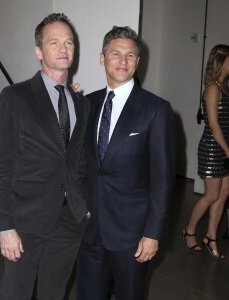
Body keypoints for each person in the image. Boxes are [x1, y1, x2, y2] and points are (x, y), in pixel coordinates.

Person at [0, 13, 90, 300]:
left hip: (69, 221)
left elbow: (77, 161)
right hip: (25, 221)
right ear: (39, 50)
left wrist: (84, 209)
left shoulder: (81, 104)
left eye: (69, 42)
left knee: (54, 293)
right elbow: (1, 167)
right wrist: (5, 226)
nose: (63, 48)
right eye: (54, 42)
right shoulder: (15, 97)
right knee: (17, 293)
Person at [76, 26, 177, 300]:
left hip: (132, 234)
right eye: (116, 54)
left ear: (138, 61)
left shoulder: (156, 109)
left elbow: (163, 178)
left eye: (130, 56)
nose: (123, 61)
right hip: (90, 229)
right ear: (102, 58)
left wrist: (153, 233)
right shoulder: (87, 104)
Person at [182, 44, 229, 259]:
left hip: (225, 147)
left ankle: (211, 237)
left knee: (224, 192)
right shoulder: (212, 87)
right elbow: (213, 124)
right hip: (213, 148)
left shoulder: (224, 86)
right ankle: (189, 232)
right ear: (221, 61)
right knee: (211, 195)